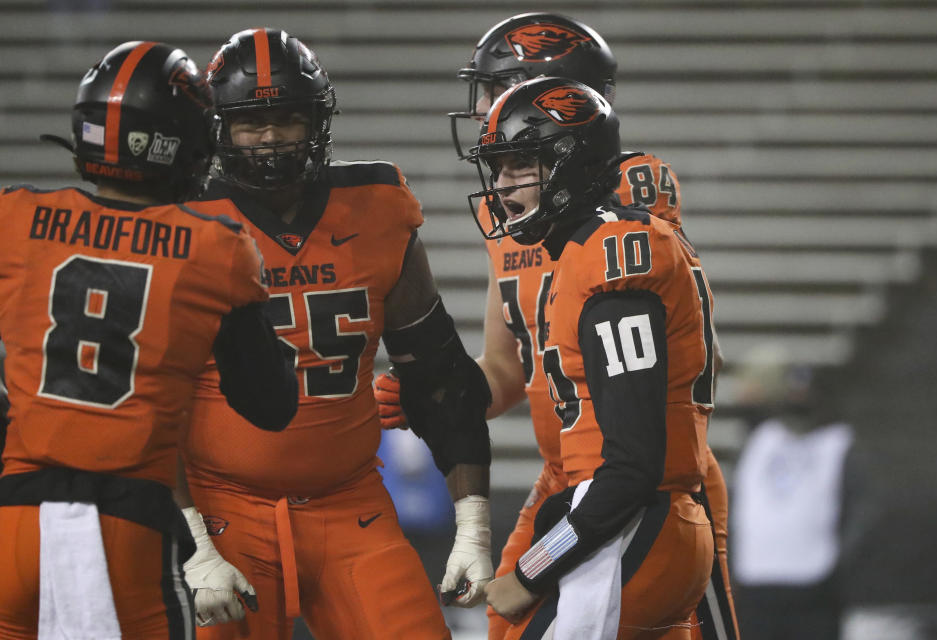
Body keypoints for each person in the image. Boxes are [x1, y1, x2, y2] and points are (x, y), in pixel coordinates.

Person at [375, 12, 737, 639]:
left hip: (640, 471)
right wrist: (439, 397)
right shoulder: (521, 213)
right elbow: (511, 370)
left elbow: (671, 351)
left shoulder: (624, 208)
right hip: (568, 470)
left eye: (497, 90)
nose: (485, 107)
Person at [179, 28, 493, 639]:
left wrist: (473, 523)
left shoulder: (376, 207)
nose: (271, 137)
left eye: (289, 118)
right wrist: (189, 537)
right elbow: (148, 401)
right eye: (252, 122)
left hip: (349, 501)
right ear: (219, 130)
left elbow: (438, 375)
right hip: (224, 508)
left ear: (317, 121)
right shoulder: (184, 220)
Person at [0, 41, 297, 639]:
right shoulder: (219, 248)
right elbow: (269, 404)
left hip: (12, 517)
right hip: (123, 524)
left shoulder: (14, 217)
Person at [469, 76, 715, 639]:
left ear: (567, 164)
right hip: (627, 522)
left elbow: (630, 469)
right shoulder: (579, 251)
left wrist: (532, 570)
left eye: (516, 166)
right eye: (496, 168)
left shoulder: (613, 256)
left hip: (633, 526)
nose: (500, 186)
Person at [729, 344, 861, 640]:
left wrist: (839, 564)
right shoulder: (762, 438)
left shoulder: (838, 444)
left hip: (813, 583)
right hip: (757, 582)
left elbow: (859, 511)